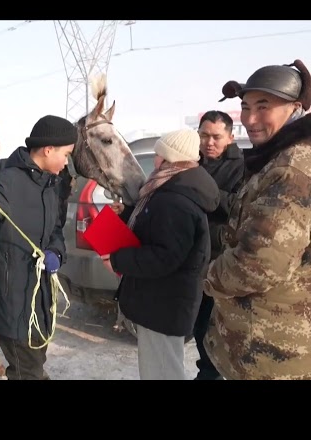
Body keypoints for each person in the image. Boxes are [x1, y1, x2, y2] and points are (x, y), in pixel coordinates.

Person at [204, 59, 311, 380]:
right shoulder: (278, 158)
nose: (250, 119)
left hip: (273, 353)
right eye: (246, 107)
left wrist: (207, 277)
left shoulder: (292, 167)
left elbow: (258, 266)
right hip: (259, 345)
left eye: (264, 106)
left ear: (296, 108)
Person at [101, 129, 220, 380]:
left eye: (158, 154)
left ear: (169, 158)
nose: (154, 160)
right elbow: (157, 230)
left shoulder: (175, 199)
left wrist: (117, 260)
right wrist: (126, 214)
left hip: (163, 306)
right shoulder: (175, 189)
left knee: (162, 372)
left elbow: (163, 257)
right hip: (164, 302)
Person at [0, 114, 77, 380]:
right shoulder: (8, 182)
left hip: (40, 298)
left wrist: (56, 252)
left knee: (35, 362)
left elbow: (55, 230)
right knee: (26, 370)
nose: (67, 162)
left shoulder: (50, 186)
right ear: (48, 149)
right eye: (65, 154)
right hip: (13, 301)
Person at [192, 111, 245, 380]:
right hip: (189, 260)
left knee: (213, 333)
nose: (209, 142)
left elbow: (237, 206)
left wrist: (201, 187)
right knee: (196, 330)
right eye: (204, 135)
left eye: (216, 137)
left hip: (219, 262)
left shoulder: (242, 166)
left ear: (230, 137)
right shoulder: (190, 161)